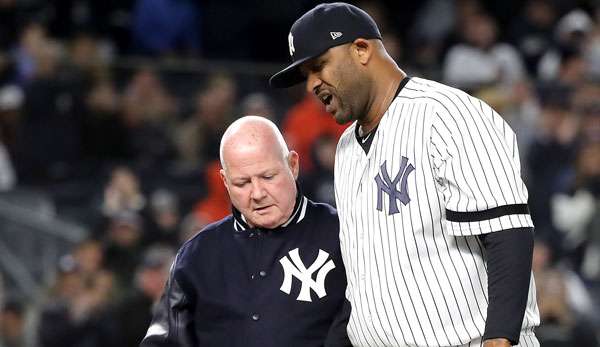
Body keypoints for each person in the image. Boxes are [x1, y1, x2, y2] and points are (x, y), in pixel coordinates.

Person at [270, 3, 539, 347]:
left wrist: (499, 339)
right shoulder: (347, 148)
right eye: (305, 75)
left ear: (362, 49)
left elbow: (507, 235)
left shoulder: (447, 115)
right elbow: (363, 279)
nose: (311, 84)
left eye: (318, 66)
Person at [140, 116, 350, 347]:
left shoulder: (344, 234)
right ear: (225, 182)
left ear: (293, 165)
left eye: (268, 177)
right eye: (242, 183)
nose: (257, 193)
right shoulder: (197, 255)